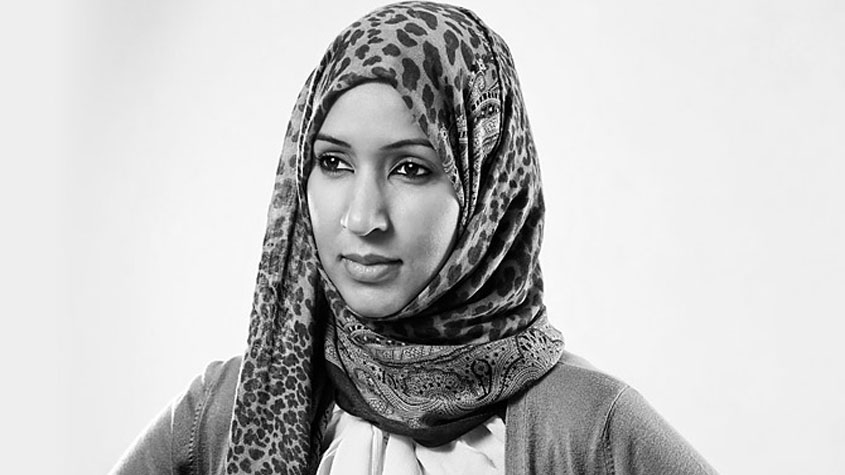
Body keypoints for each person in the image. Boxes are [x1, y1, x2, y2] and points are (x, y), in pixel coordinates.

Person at [111, 2, 717, 474]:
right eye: (333, 162)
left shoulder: (591, 430)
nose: (362, 218)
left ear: (487, 191)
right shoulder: (225, 413)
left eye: (410, 168)